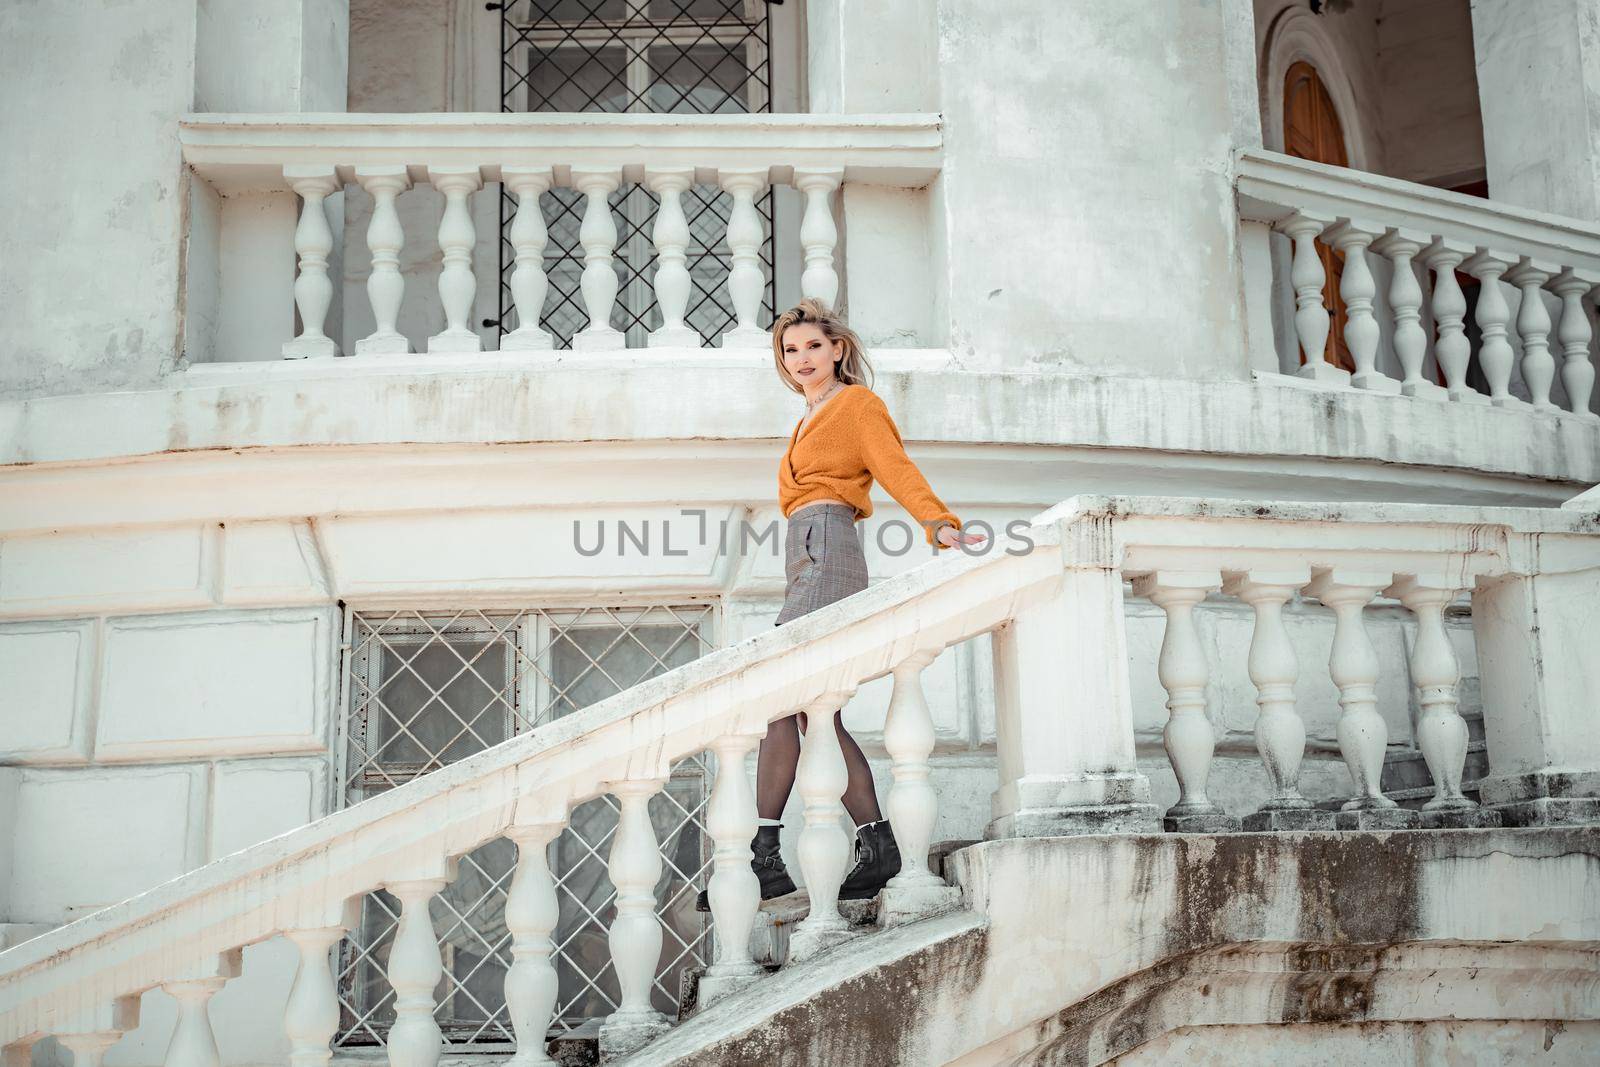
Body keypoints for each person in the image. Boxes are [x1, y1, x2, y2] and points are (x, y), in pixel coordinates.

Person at [698, 299, 986, 912]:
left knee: (790, 697)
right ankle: (848, 845)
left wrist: (940, 524)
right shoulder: (809, 414)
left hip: (827, 544)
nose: (800, 359)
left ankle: (768, 856)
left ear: (838, 350)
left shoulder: (856, 406)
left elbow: (895, 468)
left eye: (811, 347)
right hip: (805, 548)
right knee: (803, 709)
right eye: (789, 350)